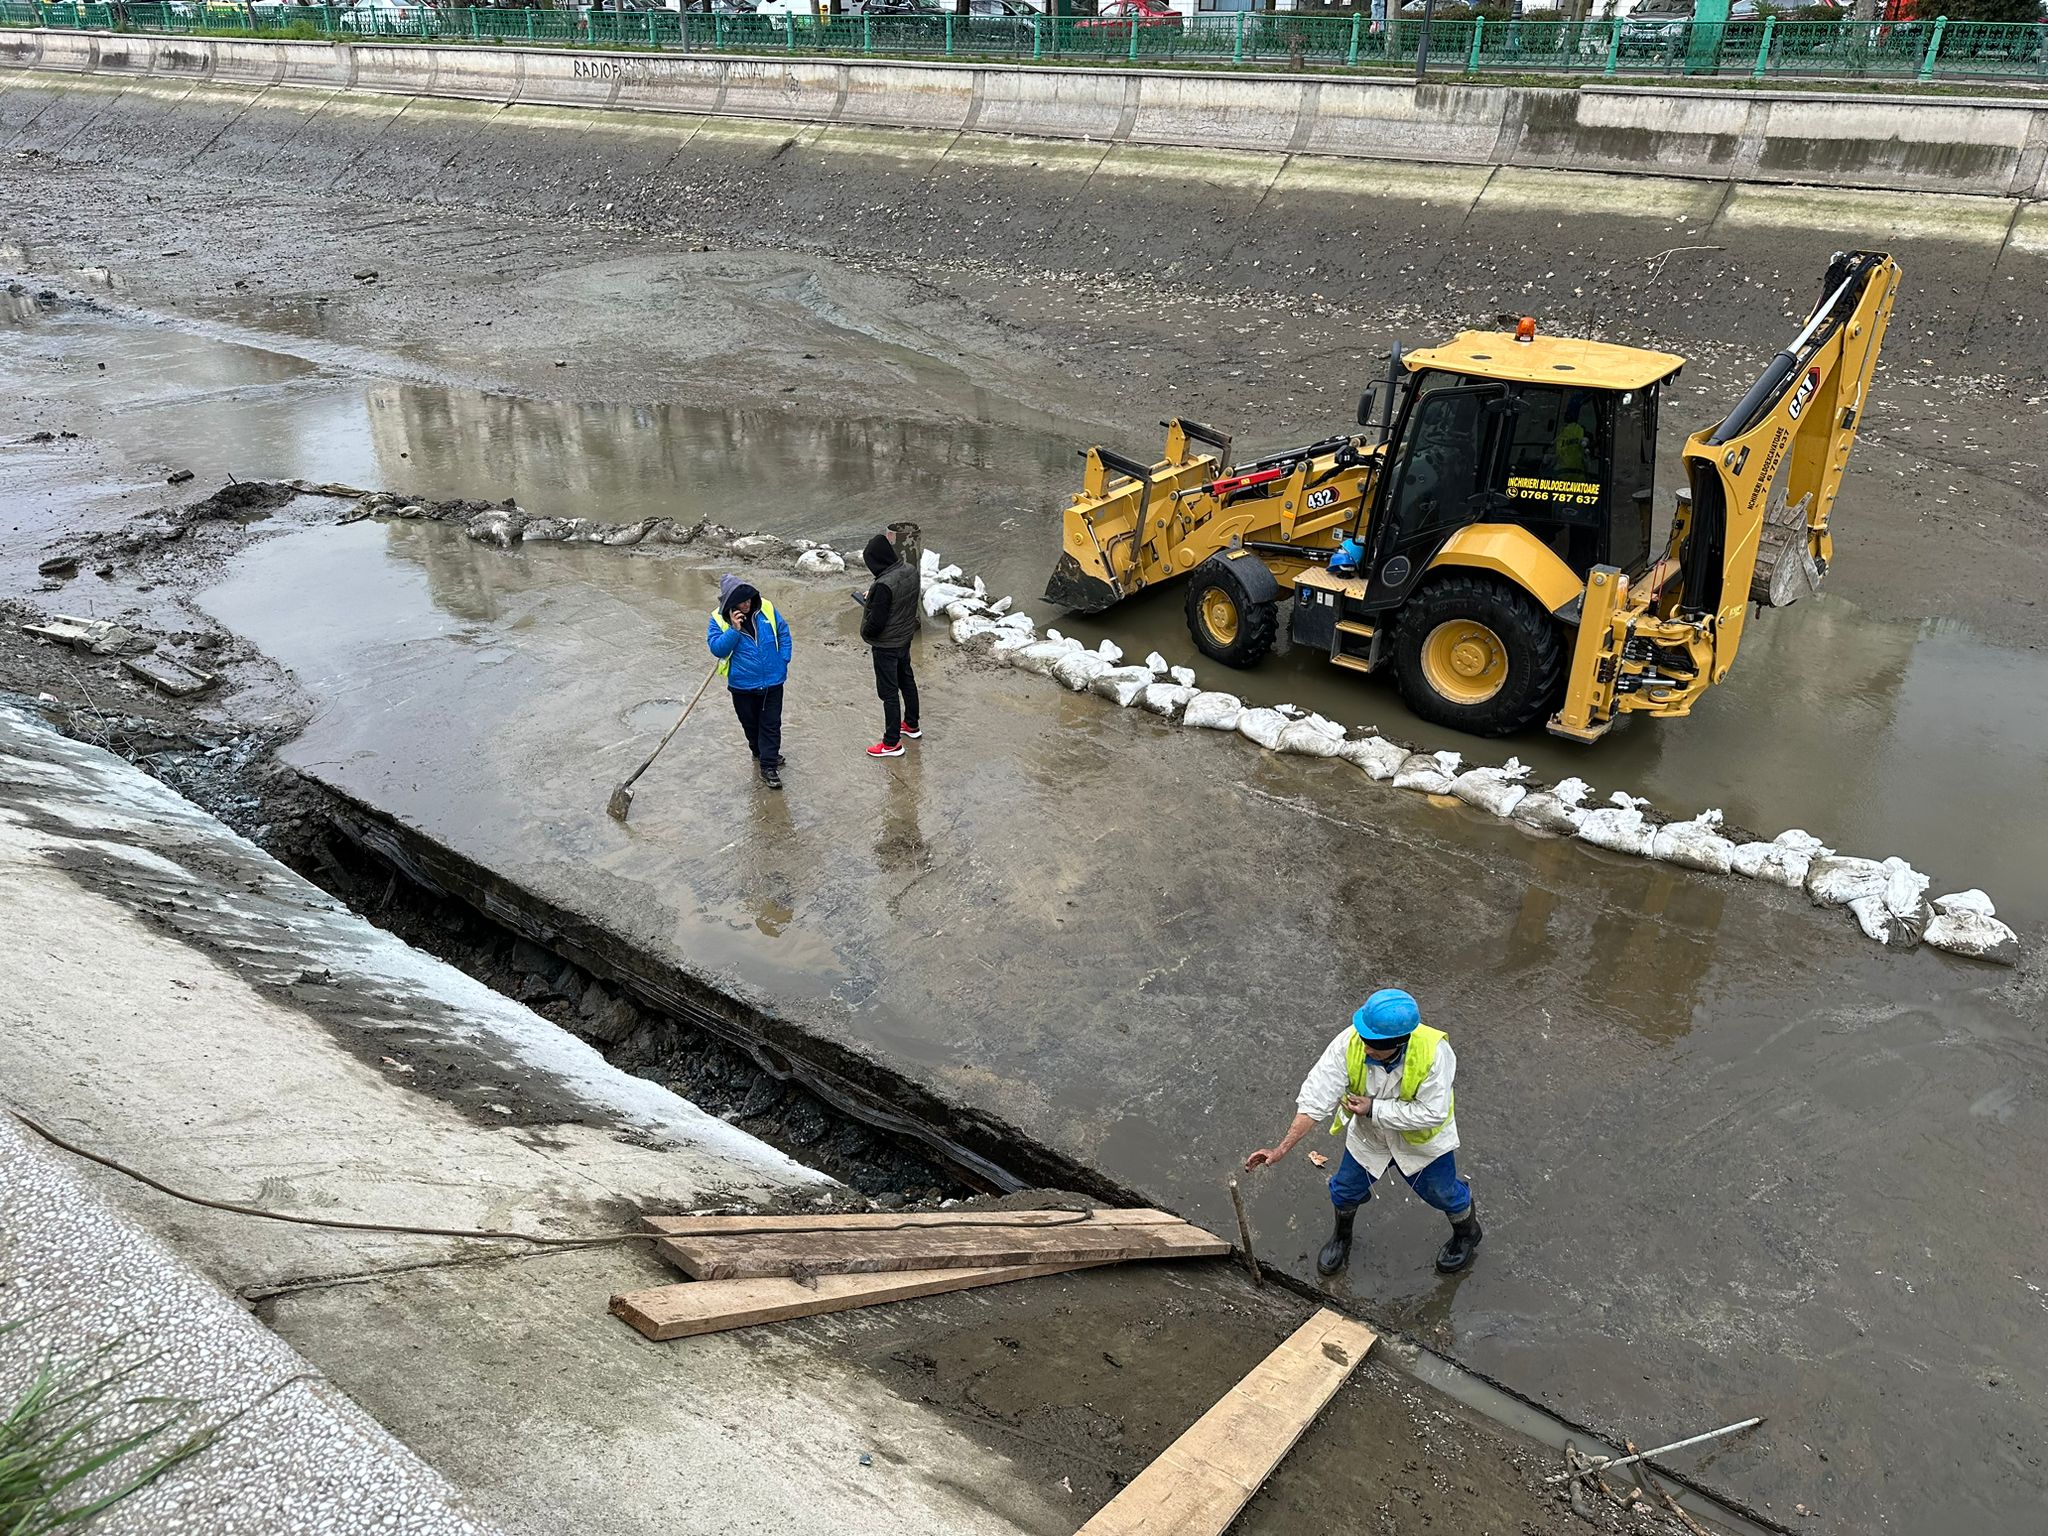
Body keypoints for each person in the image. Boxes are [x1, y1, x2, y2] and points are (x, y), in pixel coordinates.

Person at [1243, 988, 1482, 1277]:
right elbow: (1317, 1096)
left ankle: (1467, 1234)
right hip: (1371, 1139)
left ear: (1399, 1042)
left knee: (1443, 1194)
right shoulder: (1351, 1041)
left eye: (1373, 1043)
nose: (1364, 1046)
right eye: (1364, 1037)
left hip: (1420, 1143)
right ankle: (1342, 1236)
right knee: (1344, 1191)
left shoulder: (1435, 1053)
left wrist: (1374, 1109)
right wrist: (1280, 1149)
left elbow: (1432, 1112)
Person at [706, 575, 792, 791]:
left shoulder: (767, 609)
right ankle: (759, 750)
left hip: (773, 681)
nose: (747, 604)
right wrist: (733, 630)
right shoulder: (717, 619)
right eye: (741, 602)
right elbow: (717, 649)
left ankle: (769, 765)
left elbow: (783, 631)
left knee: (771, 724)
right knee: (751, 725)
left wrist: (783, 659)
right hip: (742, 686)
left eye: (749, 599)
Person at [858, 532, 922, 759]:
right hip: (904, 638)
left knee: (889, 693)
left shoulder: (883, 585)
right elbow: (901, 598)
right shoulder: (910, 571)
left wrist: (868, 615)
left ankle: (892, 742)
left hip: (887, 645)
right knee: (907, 679)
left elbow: (875, 624)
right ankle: (912, 725)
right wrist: (875, 596)